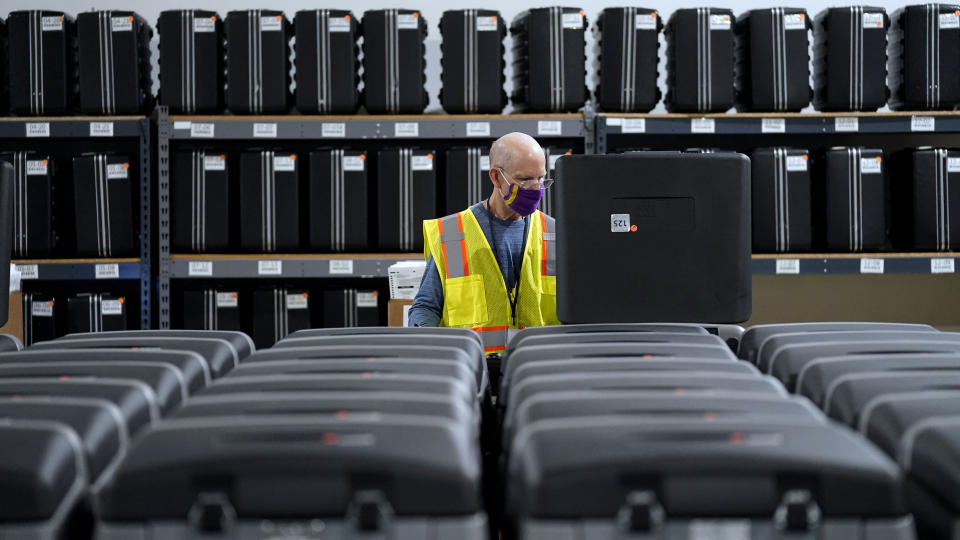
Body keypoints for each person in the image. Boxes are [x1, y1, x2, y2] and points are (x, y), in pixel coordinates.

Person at [408, 132, 560, 355]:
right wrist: (428, 351)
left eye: (540, 178)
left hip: (539, 369)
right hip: (472, 370)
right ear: (496, 177)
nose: (536, 188)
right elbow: (426, 307)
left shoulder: (555, 233)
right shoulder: (452, 234)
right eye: (525, 179)